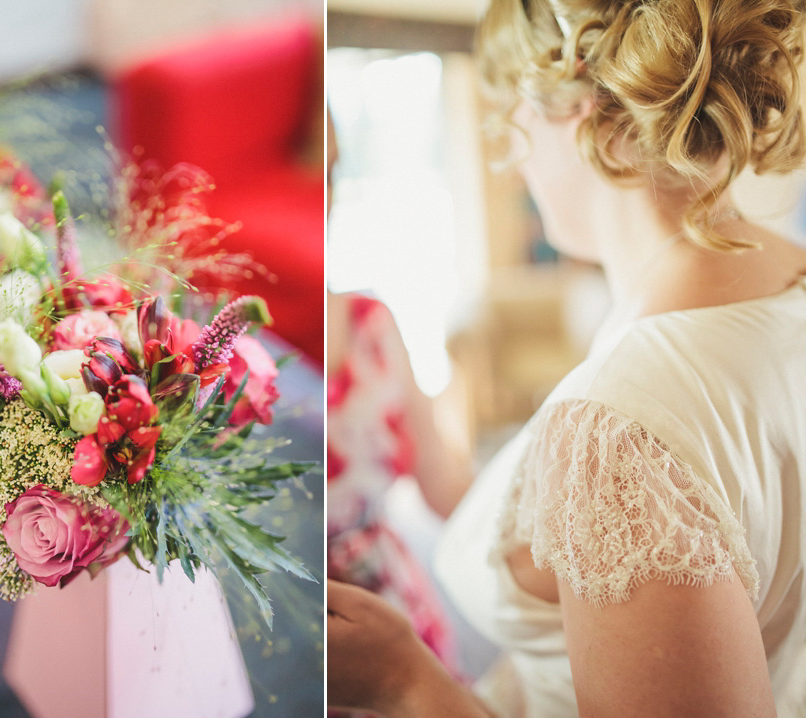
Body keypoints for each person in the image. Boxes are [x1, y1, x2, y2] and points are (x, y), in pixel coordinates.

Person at [328, 0, 806, 715]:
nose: (513, 157)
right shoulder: (778, 286)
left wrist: (406, 680)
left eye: (513, 113)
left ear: (579, 108)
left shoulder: (619, 428)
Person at [327, 111, 473, 680]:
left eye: (335, 173)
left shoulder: (375, 324)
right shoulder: (235, 329)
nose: (328, 197)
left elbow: (443, 483)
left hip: (392, 614)